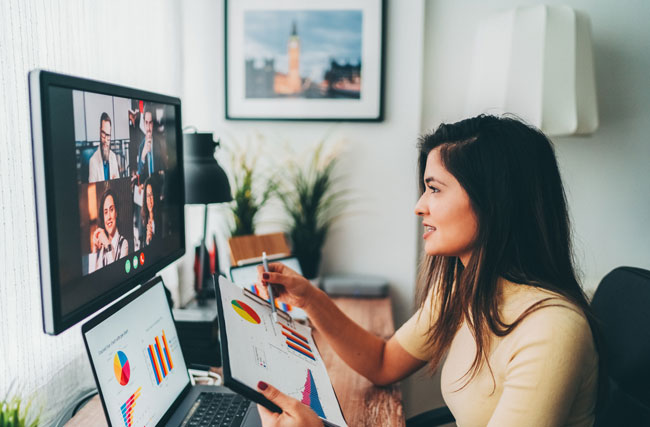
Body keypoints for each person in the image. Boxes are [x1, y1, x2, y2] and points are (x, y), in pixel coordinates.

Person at [254, 115, 602, 426]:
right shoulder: (464, 288)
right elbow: (382, 362)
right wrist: (310, 299)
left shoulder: (551, 329)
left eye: (434, 189)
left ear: (493, 203)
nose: (420, 207)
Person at [93, 188, 129, 269]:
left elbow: (117, 273)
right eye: (105, 212)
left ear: (116, 213)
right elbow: (92, 277)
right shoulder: (101, 247)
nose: (108, 217)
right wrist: (94, 250)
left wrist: (107, 244)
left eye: (111, 210)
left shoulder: (123, 243)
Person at [137, 104, 166, 181]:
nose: (148, 127)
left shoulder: (159, 144)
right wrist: (143, 155)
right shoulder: (141, 147)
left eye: (150, 123)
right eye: (146, 123)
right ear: (143, 123)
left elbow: (163, 168)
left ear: (153, 124)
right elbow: (140, 173)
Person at [89, 112, 120, 182]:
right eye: (103, 134)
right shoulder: (93, 161)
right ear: (100, 132)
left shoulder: (113, 157)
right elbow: (92, 191)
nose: (106, 140)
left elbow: (118, 184)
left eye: (108, 135)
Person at [139, 177, 159, 247]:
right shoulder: (143, 218)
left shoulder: (161, 216)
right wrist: (147, 240)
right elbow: (143, 246)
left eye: (151, 195)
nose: (149, 200)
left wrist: (152, 237)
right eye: (147, 196)